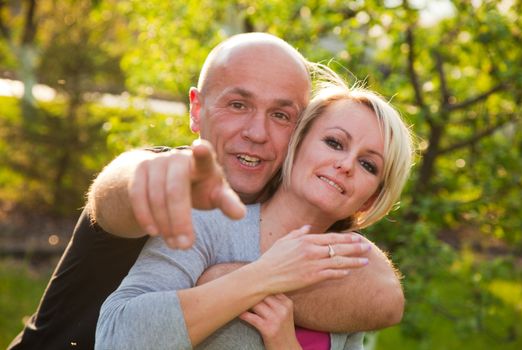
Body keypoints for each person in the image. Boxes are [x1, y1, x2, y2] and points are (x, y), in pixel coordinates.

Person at [9, 33, 403, 350]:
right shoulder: (180, 184)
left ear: (296, 133)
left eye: (281, 115)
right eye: (237, 104)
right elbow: (118, 193)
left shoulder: (341, 256)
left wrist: (244, 283)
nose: (257, 132)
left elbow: (388, 299)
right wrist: (142, 179)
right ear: (196, 110)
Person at [95, 80, 414, 349]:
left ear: (369, 199)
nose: (346, 165)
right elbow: (115, 337)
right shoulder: (207, 221)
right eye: (334, 143)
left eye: (368, 165)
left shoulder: (346, 268)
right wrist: (265, 275)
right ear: (296, 143)